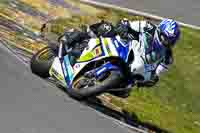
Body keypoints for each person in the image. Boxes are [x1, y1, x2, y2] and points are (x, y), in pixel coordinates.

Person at [59, 18, 181, 87]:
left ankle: (100, 84)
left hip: (134, 70)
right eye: (166, 37)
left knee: (125, 91)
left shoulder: (167, 57)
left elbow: (157, 73)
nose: (166, 42)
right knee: (107, 28)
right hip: (125, 44)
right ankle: (81, 34)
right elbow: (128, 24)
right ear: (160, 30)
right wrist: (123, 27)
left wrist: (151, 80)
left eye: (171, 41)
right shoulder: (148, 27)